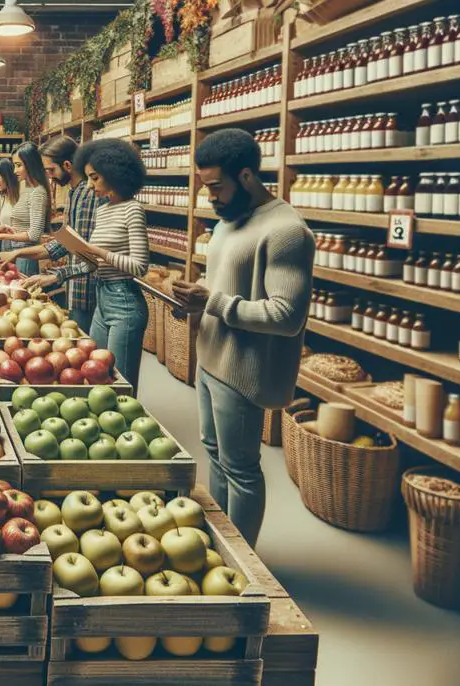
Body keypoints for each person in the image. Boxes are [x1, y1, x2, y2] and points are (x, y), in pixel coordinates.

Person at [171, 129, 314, 546]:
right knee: (214, 457)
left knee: (242, 470)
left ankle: (244, 561)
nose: (210, 197)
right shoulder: (228, 221)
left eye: (216, 186)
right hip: (211, 357)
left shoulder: (287, 231)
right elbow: (222, 285)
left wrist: (212, 302)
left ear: (247, 175)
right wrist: (195, 301)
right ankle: (219, 544)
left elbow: (286, 316)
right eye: (205, 187)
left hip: (243, 370)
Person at [52, 139, 150, 388]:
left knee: (119, 385)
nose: (90, 184)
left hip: (124, 302)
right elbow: (93, 264)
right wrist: (58, 275)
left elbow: (139, 266)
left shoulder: (133, 210)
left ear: (113, 173)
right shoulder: (103, 210)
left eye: (94, 177)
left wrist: (100, 251)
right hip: (101, 298)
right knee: (93, 375)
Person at [0, 136, 100, 334]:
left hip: (87, 287)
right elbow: (63, 243)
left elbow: (86, 253)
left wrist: (55, 276)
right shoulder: (74, 193)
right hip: (75, 286)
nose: (49, 176)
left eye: (51, 170)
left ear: (67, 165)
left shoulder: (87, 195)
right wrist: (16, 254)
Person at [0, 142, 51, 276]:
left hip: (26, 255)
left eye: (19, 165)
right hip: (13, 250)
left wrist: (4, 236)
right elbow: (22, 224)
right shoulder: (23, 186)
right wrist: (5, 228)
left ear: (31, 164)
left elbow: (34, 235)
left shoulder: (38, 192)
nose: (15, 171)